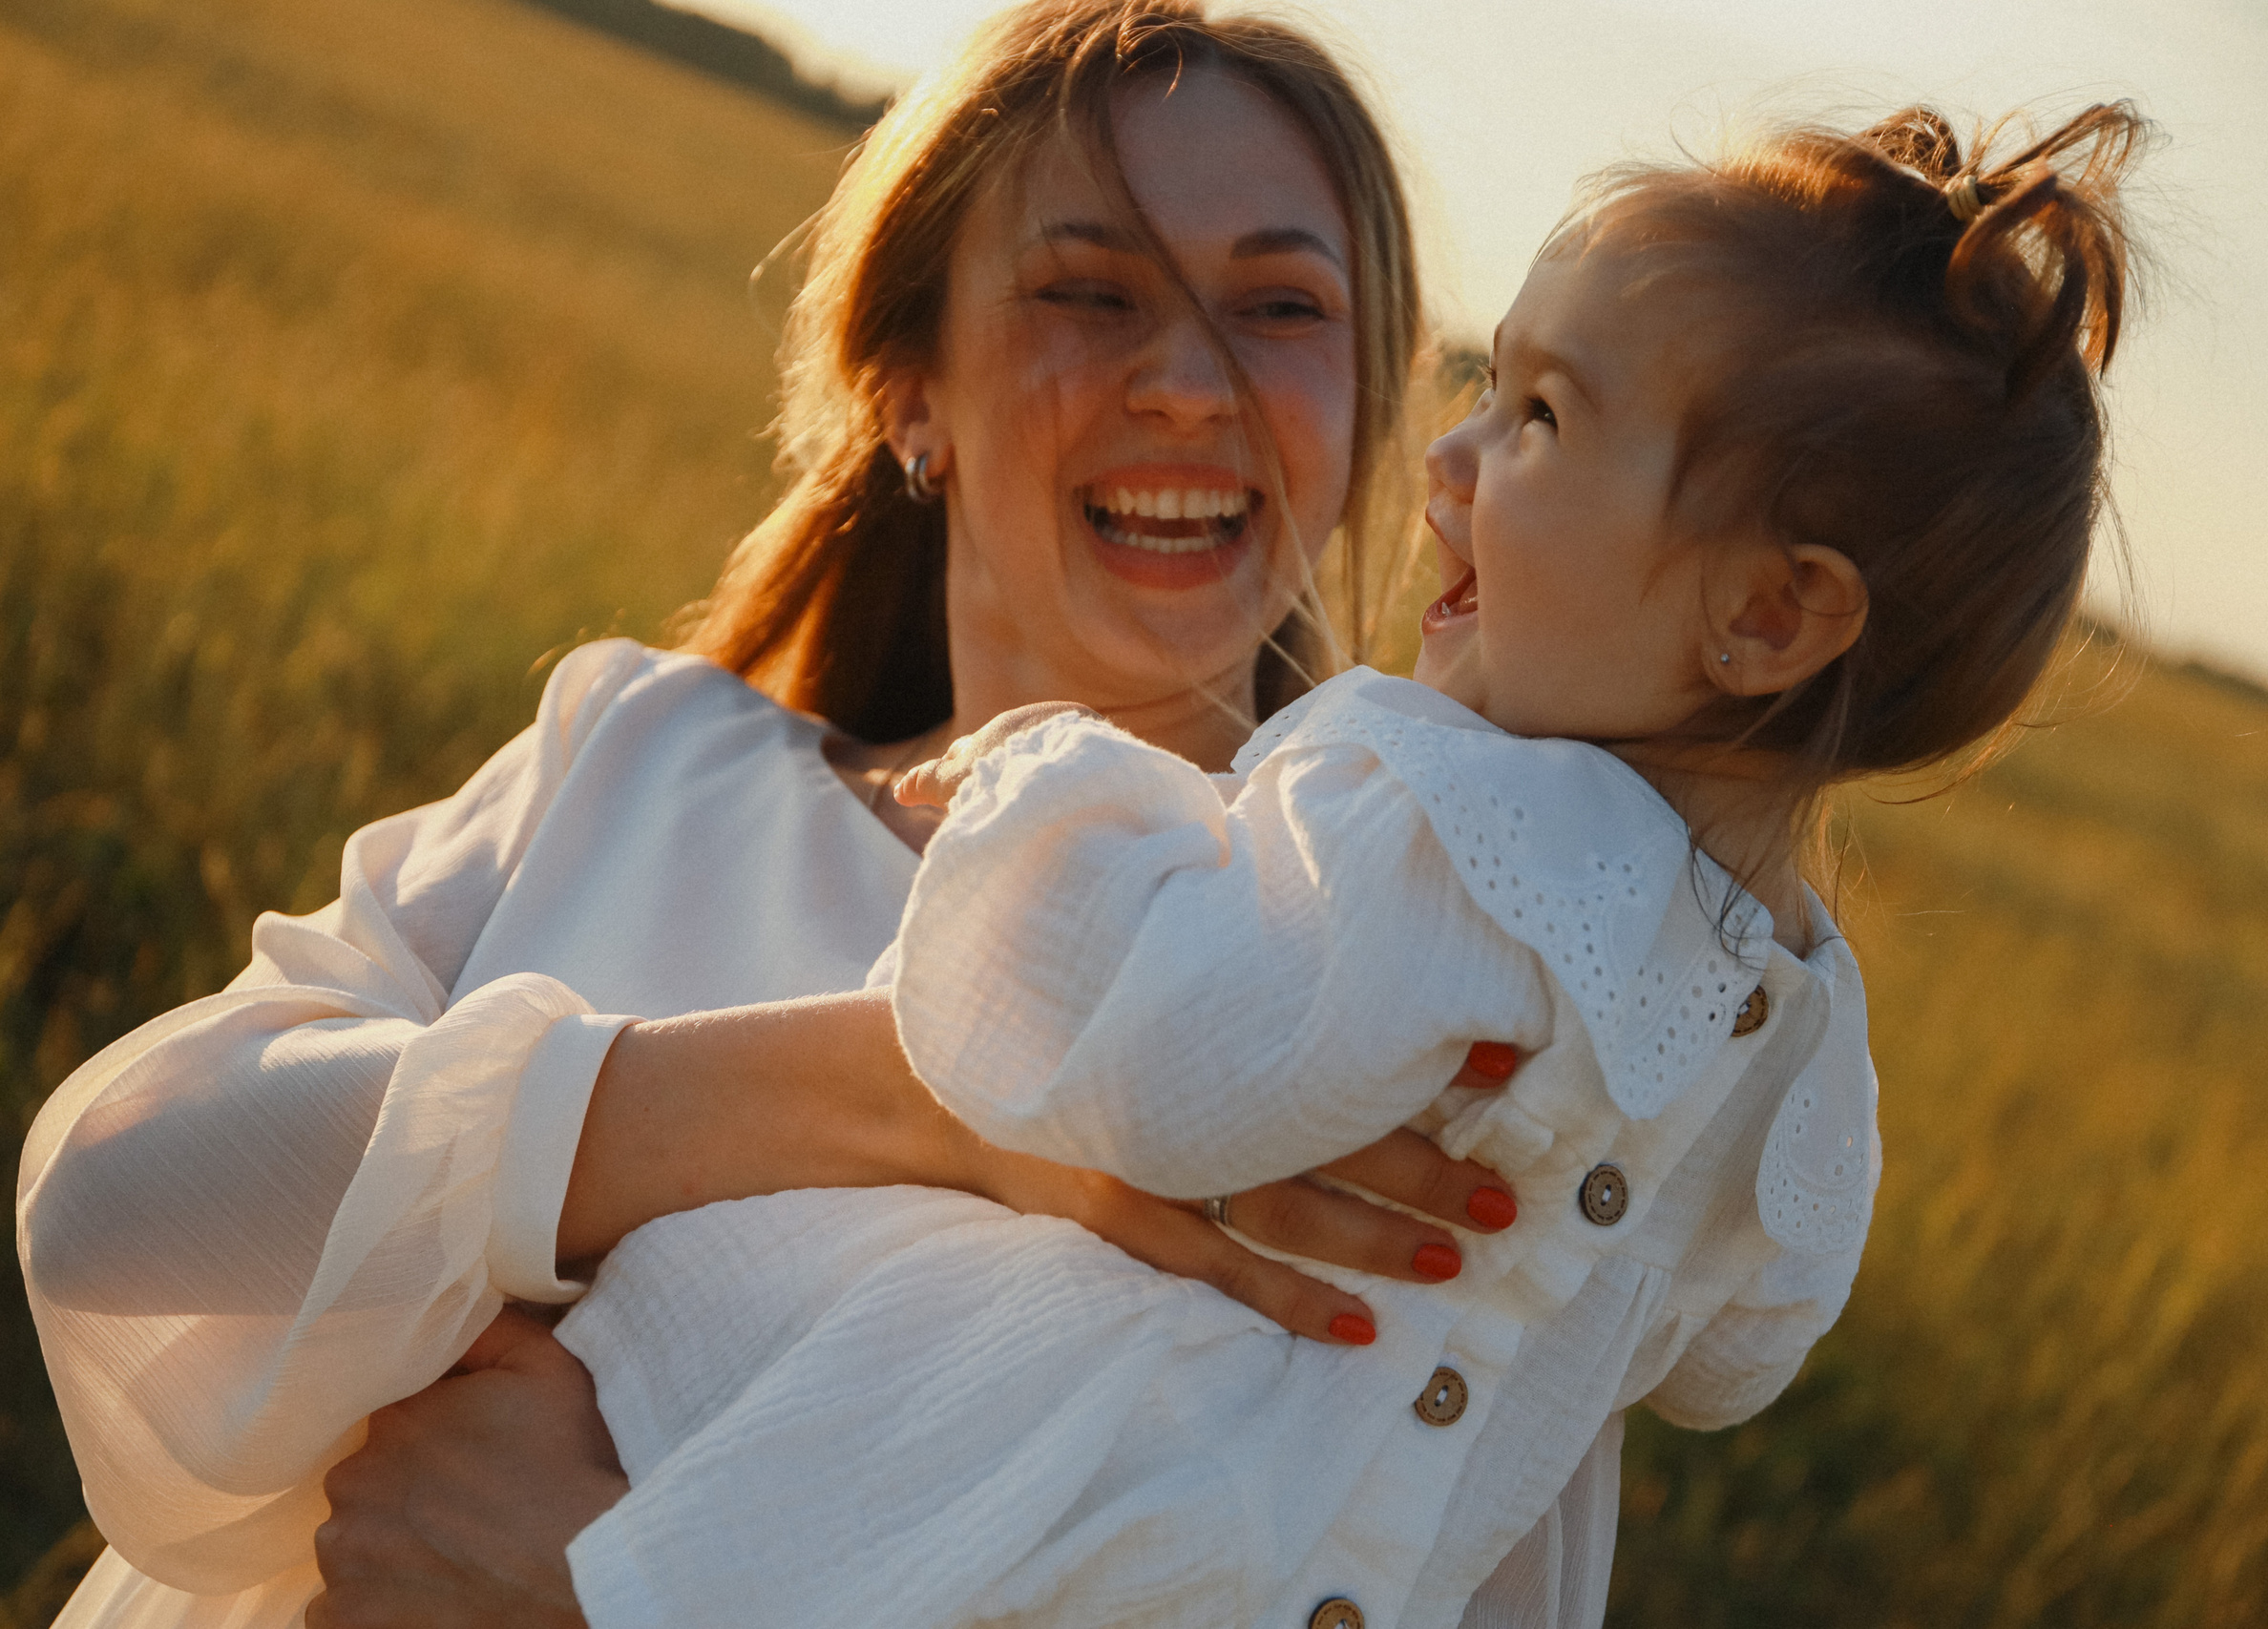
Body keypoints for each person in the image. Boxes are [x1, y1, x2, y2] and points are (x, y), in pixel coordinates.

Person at [308, 94, 2148, 1628]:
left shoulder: (1415, 795)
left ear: (1769, 613)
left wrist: (1039, 790)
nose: (1451, 462)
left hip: (996, 1481)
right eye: (1090, 294)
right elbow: (1748, 1341)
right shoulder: (1798, 1011)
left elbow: (1162, 1054)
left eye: (1541, 420)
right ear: (908, 386)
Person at [17, 4, 1539, 1624]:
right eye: (1090, 291)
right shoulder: (640, 759)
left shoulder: (1372, 997)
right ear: (910, 393)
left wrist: (604, 1586)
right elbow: (118, 1203)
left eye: (1279, 304)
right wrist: (942, 1103)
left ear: (1369, 404)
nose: (1185, 381)